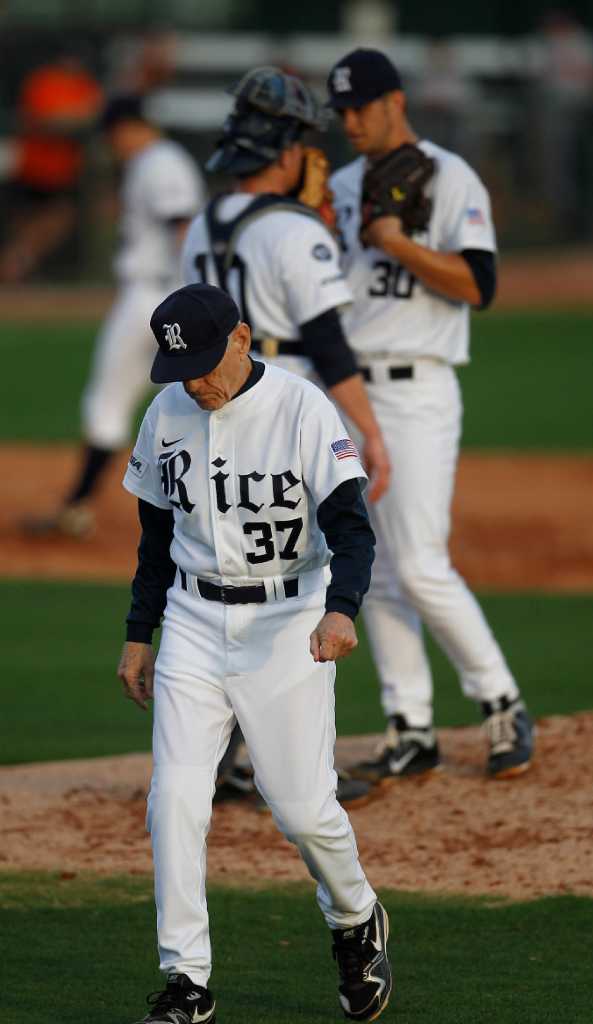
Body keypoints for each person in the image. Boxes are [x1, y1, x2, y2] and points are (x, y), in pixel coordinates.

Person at [117, 282, 392, 1024]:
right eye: (182, 370)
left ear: (241, 338)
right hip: (192, 623)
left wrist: (340, 610)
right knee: (173, 800)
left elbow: (352, 532)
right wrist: (140, 634)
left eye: (206, 363)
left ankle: (353, 916)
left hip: (289, 623)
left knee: (302, 810)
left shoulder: (301, 408)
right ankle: (187, 982)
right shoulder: (167, 410)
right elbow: (153, 541)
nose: (195, 383)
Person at [180, 66, 390, 807]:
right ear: (284, 148)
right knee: (299, 585)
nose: (310, 152)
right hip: (286, 412)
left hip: (215, 417)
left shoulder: (202, 224)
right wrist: (367, 432)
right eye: (302, 138)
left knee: (228, 572)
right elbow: (328, 345)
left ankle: (231, 757)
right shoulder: (292, 229)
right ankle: (300, 771)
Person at [325, 48, 534, 782]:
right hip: (346, 389)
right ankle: (409, 724)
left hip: (416, 391)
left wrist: (396, 242)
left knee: (417, 561)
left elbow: (479, 284)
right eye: (340, 110)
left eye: (360, 106)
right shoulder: (342, 185)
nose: (348, 120)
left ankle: (500, 700)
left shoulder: (448, 177)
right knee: (375, 567)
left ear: (395, 102)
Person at [24, 94, 205, 538]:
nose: (112, 146)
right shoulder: (159, 161)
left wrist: (190, 299)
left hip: (153, 298)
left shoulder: (160, 163)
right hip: (163, 297)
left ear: (126, 128)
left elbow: (182, 228)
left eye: (111, 136)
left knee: (108, 403)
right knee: (188, 401)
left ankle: (77, 507)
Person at [0, 49, 103, 284]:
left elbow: (96, 114)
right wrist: (75, 118)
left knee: (58, 219)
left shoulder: (83, 84)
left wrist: (72, 118)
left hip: (64, 170)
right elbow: (44, 120)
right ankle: (13, 269)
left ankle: (15, 267)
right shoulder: (44, 81)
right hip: (36, 166)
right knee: (27, 223)